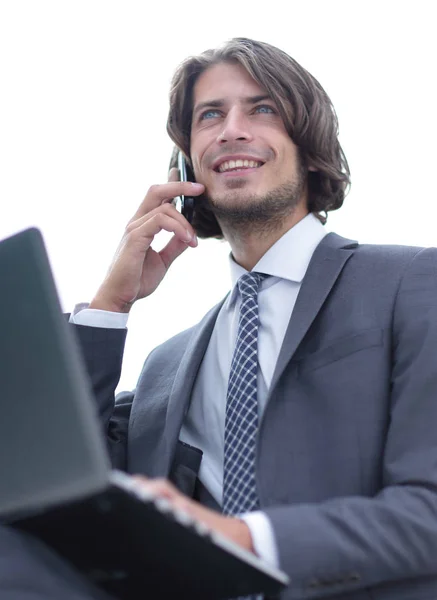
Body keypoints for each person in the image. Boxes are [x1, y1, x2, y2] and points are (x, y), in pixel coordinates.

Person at [2, 36, 437, 600]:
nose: (232, 129)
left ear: (307, 145)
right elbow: (54, 484)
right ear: (189, 159)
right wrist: (110, 305)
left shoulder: (411, 282)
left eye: (262, 109)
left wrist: (239, 537)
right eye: (211, 115)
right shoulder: (167, 367)